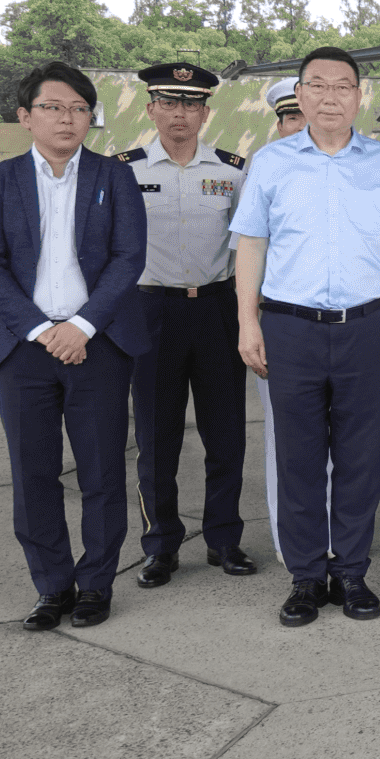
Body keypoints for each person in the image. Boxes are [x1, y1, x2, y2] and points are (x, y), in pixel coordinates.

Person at [231, 46, 380, 628]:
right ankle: (306, 577)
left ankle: (352, 572)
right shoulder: (270, 163)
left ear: (358, 95)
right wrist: (248, 319)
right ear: (300, 93)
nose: (330, 97)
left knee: (361, 455)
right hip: (290, 326)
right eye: (317, 86)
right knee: (297, 456)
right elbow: (251, 245)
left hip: (368, 325)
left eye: (343, 86)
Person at [0, 61, 151, 631]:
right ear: (26, 117)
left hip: (95, 345)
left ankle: (96, 584)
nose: (67, 118)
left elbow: (129, 258)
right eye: (53, 107)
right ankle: (52, 587)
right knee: (34, 473)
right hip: (23, 348)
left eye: (79, 109)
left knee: (102, 472)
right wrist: (40, 329)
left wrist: (82, 326)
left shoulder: (112, 176)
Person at [121, 62, 255, 590]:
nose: (180, 114)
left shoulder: (232, 170)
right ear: (151, 108)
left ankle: (224, 539)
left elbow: (249, 246)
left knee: (226, 434)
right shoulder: (124, 169)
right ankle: (160, 546)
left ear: (206, 111)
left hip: (218, 309)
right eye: (169, 103)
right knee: (157, 437)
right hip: (151, 311)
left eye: (191, 104)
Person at [252, 77, 330, 566]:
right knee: (287, 439)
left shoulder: (350, 169)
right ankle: (293, 541)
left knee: (342, 444)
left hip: (345, 326)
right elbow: (246, 251)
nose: (300, 126)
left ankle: (334, 536)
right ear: (281, 124)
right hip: (280, 323)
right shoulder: (265, 171)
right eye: (291, 117)